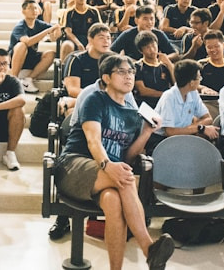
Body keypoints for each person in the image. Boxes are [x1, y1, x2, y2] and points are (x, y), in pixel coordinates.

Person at [52, 53, 175, 270]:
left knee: (113, 202)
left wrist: (146, 132)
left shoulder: (133, 113)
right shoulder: (95, 100)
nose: (128, 76)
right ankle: (149, 248)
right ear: (106, 78)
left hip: (108, 178)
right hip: (74, 166)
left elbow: (127, 157)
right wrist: (108, 165)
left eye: (131, 72)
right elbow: (93, 140)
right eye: (121, 72)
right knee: (126, 179)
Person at [151, 59, 218, 154]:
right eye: (199, 78)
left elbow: (208, 118)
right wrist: (200, 128)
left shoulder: (193, 93)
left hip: (184, 136)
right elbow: (170, 132)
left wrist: (192, 128)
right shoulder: (169, 97)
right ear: (191, 82)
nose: (200, 80)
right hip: (162, 140)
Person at [8, 0, 59, 93]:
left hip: (31, 57)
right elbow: (28, 42)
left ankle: (28, 80)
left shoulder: (38, 24)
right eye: (30, 8)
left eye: (36, 8)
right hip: (17, 59)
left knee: (51, 54)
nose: (34, 11)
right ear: (23, 11)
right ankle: (14, 80)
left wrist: (57, 30)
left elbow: (54, 30)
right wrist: (47, 31)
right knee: (21, 45)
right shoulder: (20, 27)